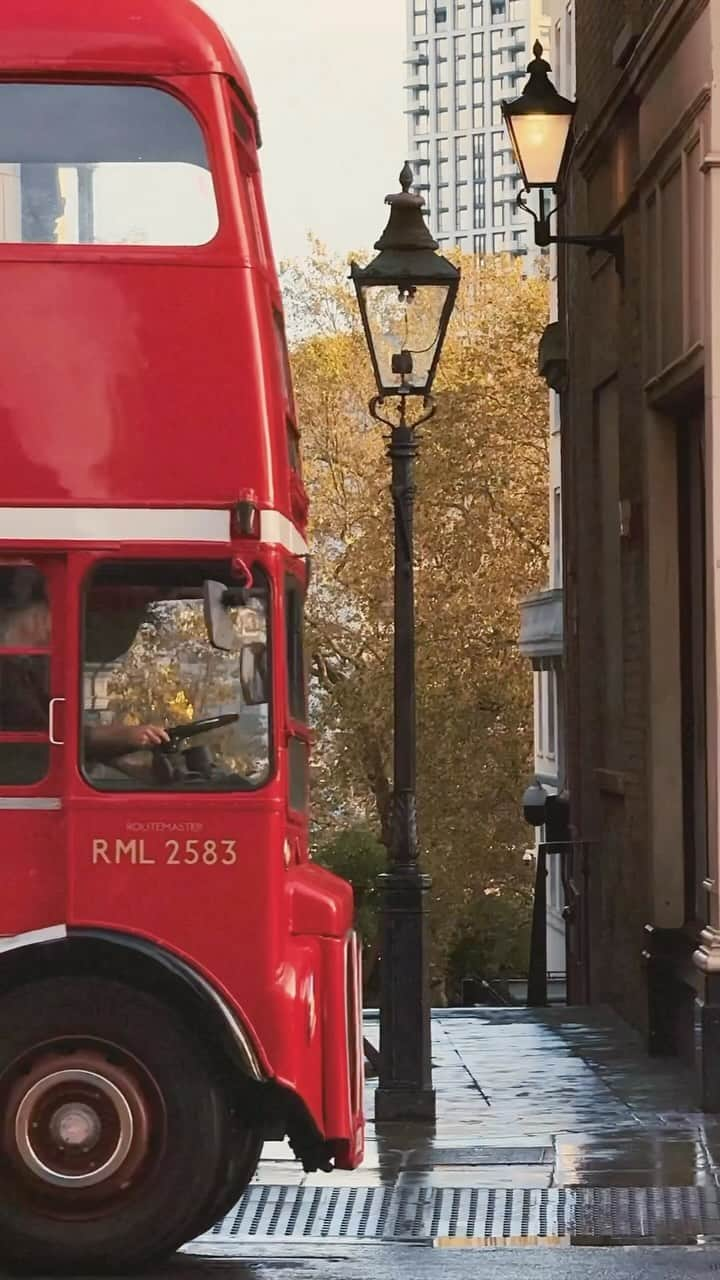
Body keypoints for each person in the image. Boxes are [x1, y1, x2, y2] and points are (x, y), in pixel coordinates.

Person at [0, 577, 169, 760]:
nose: (50, 625)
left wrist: (124, 749)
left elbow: (58, 730)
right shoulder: (9, 675)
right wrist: (122, 736)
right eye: (41, 616)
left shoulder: (27, 671)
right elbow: (44, 735)